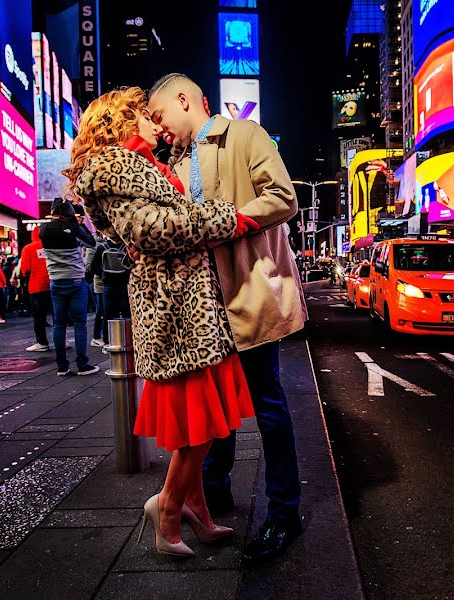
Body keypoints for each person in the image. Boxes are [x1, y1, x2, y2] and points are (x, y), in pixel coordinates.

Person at [64, 86, 258, 557]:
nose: (158, 121)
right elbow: (152, 230)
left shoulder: (143, 164)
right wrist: (225, 219)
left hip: (189, 304)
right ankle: (168, 509)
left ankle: (196, 508)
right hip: (173, 308)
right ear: (125, 121)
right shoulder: (114, 168)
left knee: (209, 420)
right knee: (201, 425)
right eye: (147, 115)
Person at [148, 73, 307, 564]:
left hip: (250, 292)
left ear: (184, 99)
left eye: (160, 117)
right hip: (201, 307)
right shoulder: (170, 161)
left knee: (267, 404)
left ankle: (285, 514)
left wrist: (228, 222)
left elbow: (283, 197)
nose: (159, 128)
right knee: (214, 408)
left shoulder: (244, 134)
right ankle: (212, 495)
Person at [39, 198, 99, 376]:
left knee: (59, 323)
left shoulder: (43, 229)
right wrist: (78, 224)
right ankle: (82, 364)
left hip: (56, 281)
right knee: (80, 323)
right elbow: (91, 243)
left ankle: (62, 366)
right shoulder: (73, 228)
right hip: (75, 280)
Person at [90, 233, 131, 345]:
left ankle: (108, 341)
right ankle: (128, 339)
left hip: (108, 285)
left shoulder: (102, 248)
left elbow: (93, 267)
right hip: (123, 284)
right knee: (127, 313)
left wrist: (104, 275)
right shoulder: (126, 247)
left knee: (108, 314)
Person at [20, 226, 52, 352]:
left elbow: (25, 269)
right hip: (53, 283)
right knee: (58, 315)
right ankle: (62, 340)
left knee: (39, 316)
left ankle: (42, 342)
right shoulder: (52, 246)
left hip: (37, 286)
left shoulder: (28, 249)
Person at [84, 232, 106, 348]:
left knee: (105, 310)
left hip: (107, 283)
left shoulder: (112, 243)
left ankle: (104, 335)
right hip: (100, 284)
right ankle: (97, 336)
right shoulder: (93, 245)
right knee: (101, 311)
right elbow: (88, 266)